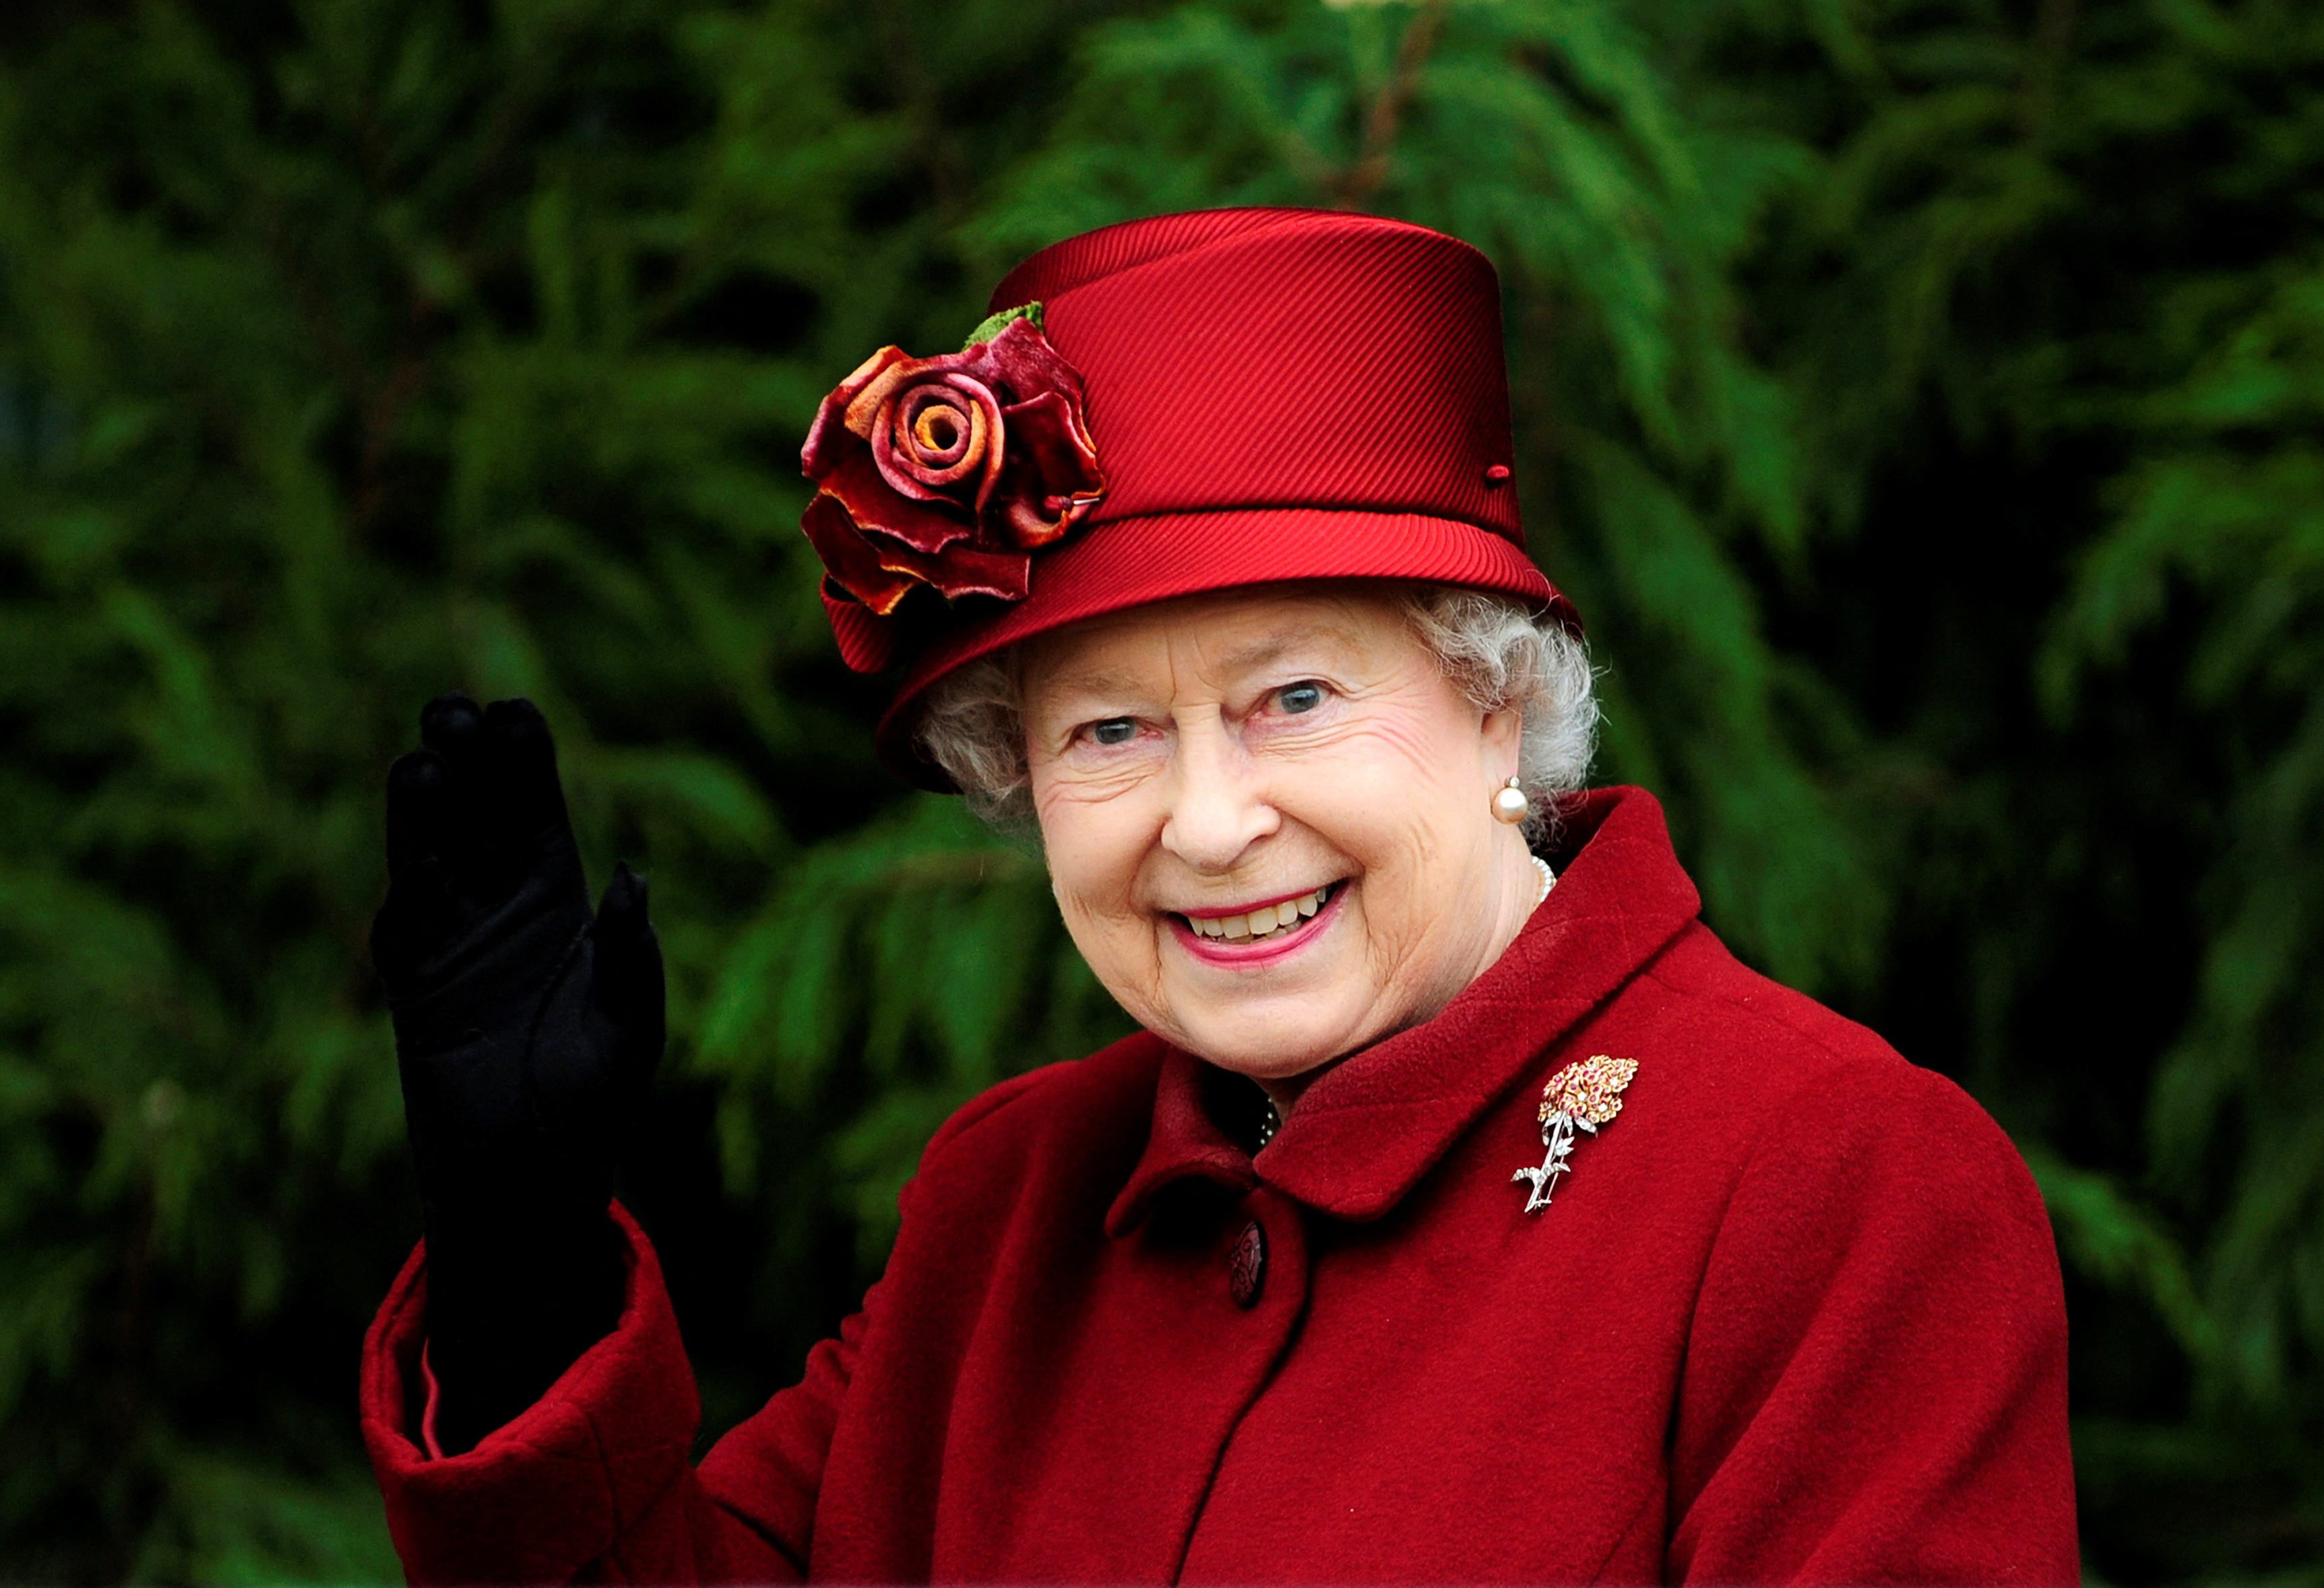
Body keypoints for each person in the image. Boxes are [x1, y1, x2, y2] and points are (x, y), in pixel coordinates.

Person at [360, 208, 2079, 1584]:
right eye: (1108, 729)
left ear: (1498, 696)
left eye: (1296, 699)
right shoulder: (1007, 1206)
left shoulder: (1833, 1183)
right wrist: (526, 1283)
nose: (1204, 819)